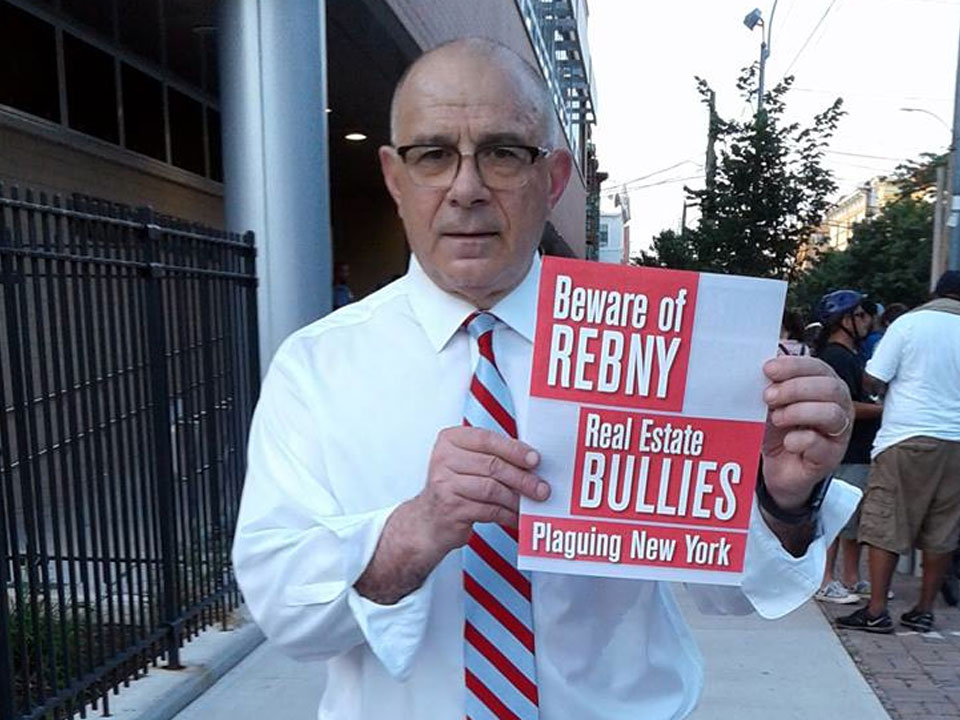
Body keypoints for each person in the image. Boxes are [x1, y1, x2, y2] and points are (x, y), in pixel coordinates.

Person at [232, 38, 858, 719]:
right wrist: (417, 528)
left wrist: (782, 500)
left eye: (502, 153)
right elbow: (284, 612)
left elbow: (732, 595)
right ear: (394, 176)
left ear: (554, 177)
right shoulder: (317, 367)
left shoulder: (659, 347)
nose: (466, 189)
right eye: (433, 154)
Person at [837, 270, 960, 634]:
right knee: (943, 529)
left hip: (905, 436)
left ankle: (876, 610)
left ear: (935, 293)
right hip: (955, 443)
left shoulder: (909, 325)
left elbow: (874, 378)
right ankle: (923, 610)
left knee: (885, 522)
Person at [810, 290, 882, 605]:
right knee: (837, 516)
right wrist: (885, 410)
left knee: (853, 519)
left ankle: (851, 577)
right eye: (861, 314)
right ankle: (825, 579)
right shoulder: (836, 357)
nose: (867, 320)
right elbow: (844, 405)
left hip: (857, 449)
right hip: (845, 450)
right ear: (844, 320)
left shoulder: (849, 355)